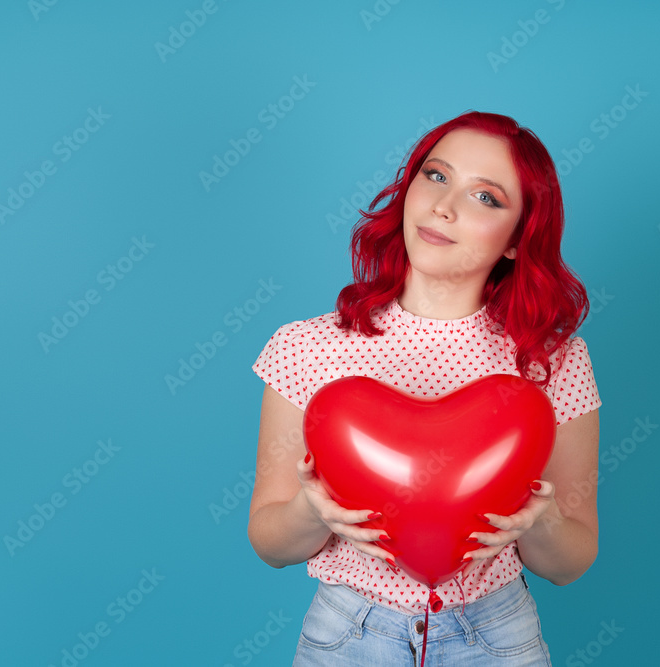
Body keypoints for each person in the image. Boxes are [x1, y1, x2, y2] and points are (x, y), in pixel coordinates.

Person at [248, 111, 601, 666]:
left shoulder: (553, 362)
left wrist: (543, 520)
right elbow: (269, 544)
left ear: (517, 239)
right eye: (436, 176)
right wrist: (312, 513)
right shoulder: (306, 347)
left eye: (485, 197)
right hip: (348, 636)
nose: (444, 206)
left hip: (495, 635)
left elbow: (570, 563)